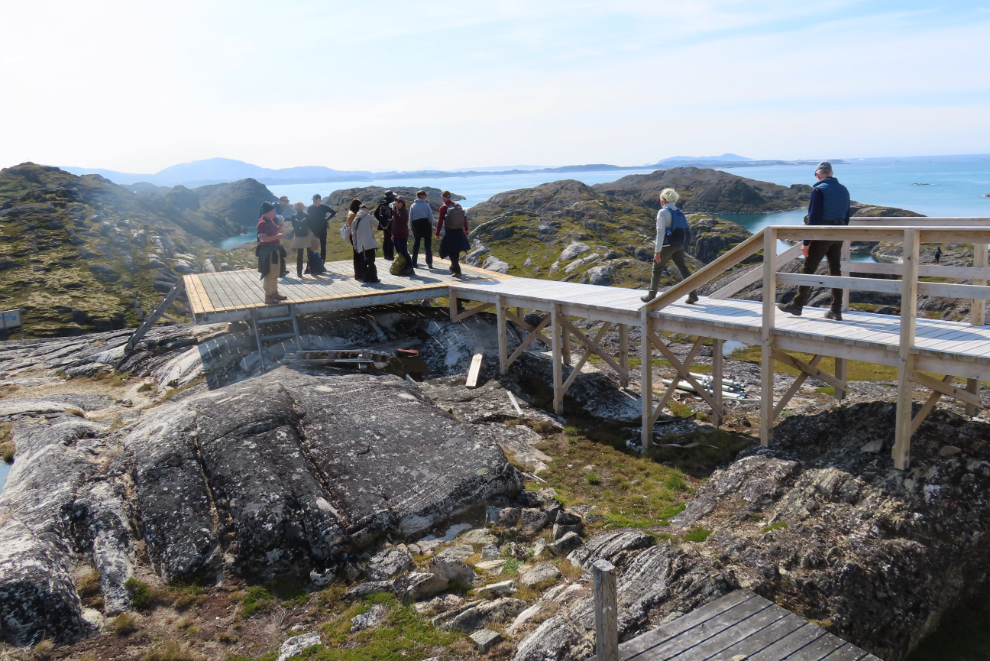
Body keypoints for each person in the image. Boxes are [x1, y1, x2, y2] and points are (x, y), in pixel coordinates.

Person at [777, 161, 851, 321]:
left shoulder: (818, 190)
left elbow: (814, 218)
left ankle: (797, 305)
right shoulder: (844, 189)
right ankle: (836, 310)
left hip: (821, 235)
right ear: (831, 173)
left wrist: (806, 242)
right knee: (835, 270)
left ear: (818, 175)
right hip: (839, 234)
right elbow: (846, 215)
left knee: (808, 268)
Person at [640, 188, 699, 304]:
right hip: (678, 244)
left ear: (664, 200)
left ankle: (651, 295)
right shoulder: (678, 211)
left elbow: (660, 232)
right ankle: (693, 295)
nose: (659, 200)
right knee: (683, 268)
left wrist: (657, 251)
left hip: (666, 246)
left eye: (661, 198)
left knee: (656, 270)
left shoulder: (662, 212)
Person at [256, 202, 287, 304]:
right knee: (269, 273)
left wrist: (280, 224)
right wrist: (278, 237)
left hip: (274, 250)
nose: (274, 212)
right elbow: (263, 239)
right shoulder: (262, 223)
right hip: (268, 251)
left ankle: (274, 292)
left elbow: (276, 231)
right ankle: (268, 296)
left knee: (275, 272)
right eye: (273, 211)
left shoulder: (269, 221)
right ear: (268, 212)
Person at [436, 191, 470, 277]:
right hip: (459, 230)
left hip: (450, 231)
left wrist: (437, 233)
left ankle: (457, 271)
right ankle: (453, 266)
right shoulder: (457, 205)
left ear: (443, 198)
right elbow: (464, 218)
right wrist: (466, 229)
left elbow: (440, 222)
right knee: (456, 250)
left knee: (451, 251)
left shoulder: (443, 208)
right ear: (450, 197)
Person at [349, 200, 379, 282]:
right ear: (366, 209)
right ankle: (373, 278)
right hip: (370, 243)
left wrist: (355, 246)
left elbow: (353, 234)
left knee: (363, 262)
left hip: (361, 245)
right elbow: (377, 224)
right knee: (371, 262)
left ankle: (365, 278)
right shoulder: (368, 216)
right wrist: (372, 216)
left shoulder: (355, 219)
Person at [288, 202, 319, 278]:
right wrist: (316, 235)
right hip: (308, 235)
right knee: (310, 254)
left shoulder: (293, 217)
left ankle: (299, 272)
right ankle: (313, 271)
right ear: (303, 207)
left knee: (300, 254)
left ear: (295, 208)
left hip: (298, 236)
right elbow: (312, 226)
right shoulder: (307, 216)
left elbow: (294, 226)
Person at [409, 190, 435, 268]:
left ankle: (414, 262)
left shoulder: (413, 205)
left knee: (416, 244)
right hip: (426, 224)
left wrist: (412, 228)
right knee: (427, 244)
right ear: (423, 196)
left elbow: (410, 218)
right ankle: (429, 263)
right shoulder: (426, 205)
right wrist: (430, 224)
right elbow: (431, 217)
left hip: (416, 225)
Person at [307, 194, 336, 261]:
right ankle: (312, 261)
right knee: (313, 245)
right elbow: (308, 217)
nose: (315, 201)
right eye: (314, 200)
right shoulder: (310, 208)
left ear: (320, 200)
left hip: (322, 228)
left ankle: (322, 261)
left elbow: (333, 212)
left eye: (316, 200)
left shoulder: (324, 207)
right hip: (313, 228)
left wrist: (326, 219)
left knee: (323, 245)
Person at [391, 196, 414, 275]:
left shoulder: (404, 211)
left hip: (402, 234)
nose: (397, 203)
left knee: (403, 251)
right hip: (396, 234)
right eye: (396, 201)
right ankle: (403, 266)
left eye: (398, 202)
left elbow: (399, 220)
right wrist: (393, 234)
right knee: (399, 252)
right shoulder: (398, 211)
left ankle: (410, 266)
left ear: (403, 203)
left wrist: (393, 211)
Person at [374, 190, 396, 261]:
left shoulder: (382, 203)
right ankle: (390, 255)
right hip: (391, 223)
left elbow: (375, 213)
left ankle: (385, 255)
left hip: (384, 224)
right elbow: (394, 213)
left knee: (386, 239)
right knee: (391, 239)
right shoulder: (392, 203)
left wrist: (381, 220)